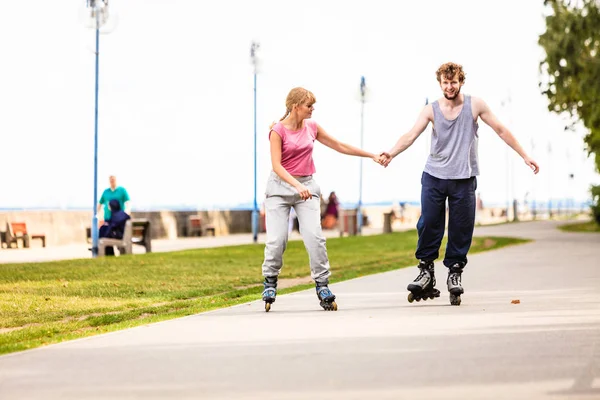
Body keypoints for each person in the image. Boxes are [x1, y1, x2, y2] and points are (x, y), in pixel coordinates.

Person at [380, 62, 539, 306]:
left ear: (461, 82)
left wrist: (525, 155)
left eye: (454, 82)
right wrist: (391, 153)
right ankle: (426, 272)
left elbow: (501, 129)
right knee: (429, 223)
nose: (450, 86)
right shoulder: (430, 110)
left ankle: (454, 272)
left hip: (463, 179)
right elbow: (411, 135)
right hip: (434, 176)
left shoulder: (475, 105)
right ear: (440, 83)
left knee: (461, 227)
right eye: (445, 82)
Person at [261, 87, 385, 311]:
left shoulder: (312, 127)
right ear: (295, 106)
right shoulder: (277, 131)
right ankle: (270, 279)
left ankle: (322, 284)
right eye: (309, 105)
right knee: (277, 240)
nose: (313, 109)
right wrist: (296, 185)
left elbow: (339, 145)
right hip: (280, 189)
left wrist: (371, 155)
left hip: (306, 187)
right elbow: (276, 166)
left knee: (315, 238)